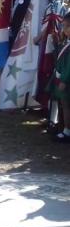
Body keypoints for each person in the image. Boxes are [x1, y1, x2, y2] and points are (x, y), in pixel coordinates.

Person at [50, 13, 70, 142]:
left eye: (67, 26)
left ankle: (67, 131)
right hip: (61, 79)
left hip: (66, 81)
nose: (64, 29)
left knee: (67, 105)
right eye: (63, 26)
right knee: (64, 105)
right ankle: (64, 128)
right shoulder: (66, 42)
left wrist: (64, 80)